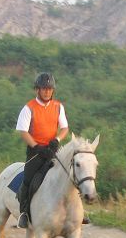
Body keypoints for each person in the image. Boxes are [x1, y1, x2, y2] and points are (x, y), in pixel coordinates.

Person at [15, 72, 78, 228]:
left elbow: (64, 128)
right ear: (37, 89)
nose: (47, 92)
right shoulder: (28, 108)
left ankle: (77, 212)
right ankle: (24, 213)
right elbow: (23, 131)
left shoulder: (58, 107)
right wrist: (36, 146)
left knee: (71, 173)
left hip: (52, 148)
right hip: (35, 150)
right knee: (28, 180)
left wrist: (57, 139)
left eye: (49, 89)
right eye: (44, 89)